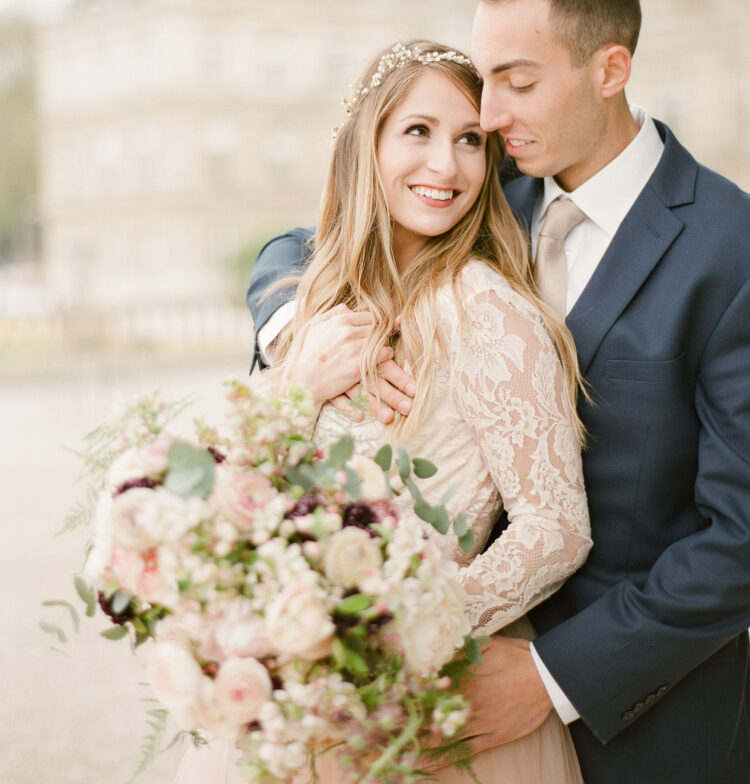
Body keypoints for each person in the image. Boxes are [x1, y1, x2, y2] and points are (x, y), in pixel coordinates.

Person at [247, 0, 750, 784]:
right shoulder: (480, 185)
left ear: (610, 70)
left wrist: (557, 678)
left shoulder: (730, 248)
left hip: (645, 721)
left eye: (517, 83)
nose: (485, 115)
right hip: (422, 711)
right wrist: (294, 326)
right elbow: (314, 237)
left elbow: (739, 534)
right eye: (487, 80)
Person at [177, 39, 592, 784]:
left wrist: (391, 638)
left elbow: (555, 530)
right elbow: (225, 489)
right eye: (418, 132)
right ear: (365, 142)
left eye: (470, 141)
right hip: (294, 705)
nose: (447, 165)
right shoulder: (314, 305)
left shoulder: (487, 308)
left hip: (422, 707)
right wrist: (297, 383)